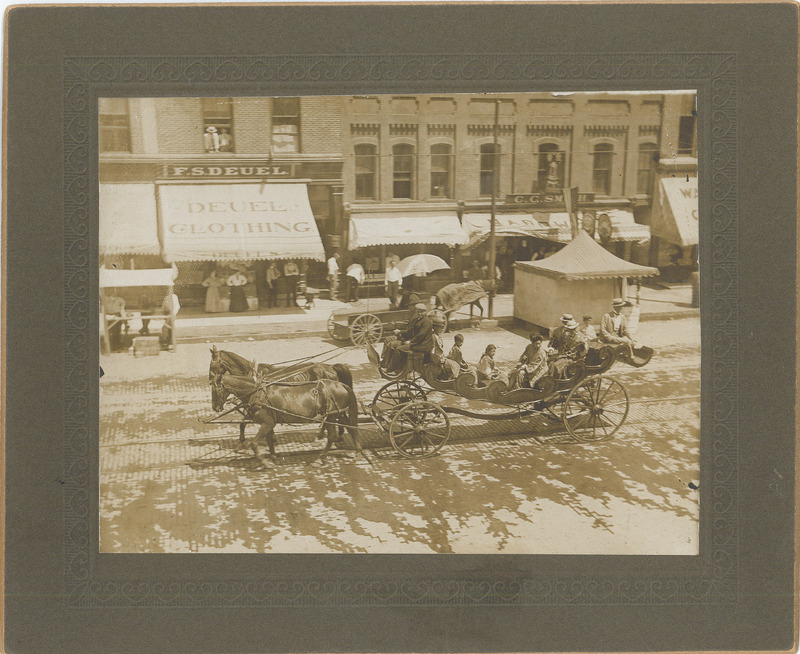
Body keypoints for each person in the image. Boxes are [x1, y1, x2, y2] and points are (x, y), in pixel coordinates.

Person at [381, 303, 434, 372]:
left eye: (422, 312)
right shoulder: (417, 319)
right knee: (392, 345)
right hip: (417, 343)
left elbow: (421, 336)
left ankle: (391, 369)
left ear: (425, 312)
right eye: (418, 311)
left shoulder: (426, 322)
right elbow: (410, 332)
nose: (419, 313)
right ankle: (388, 364)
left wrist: (410, 342)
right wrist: (401, 332)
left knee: (399, 349)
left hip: (422, 345)